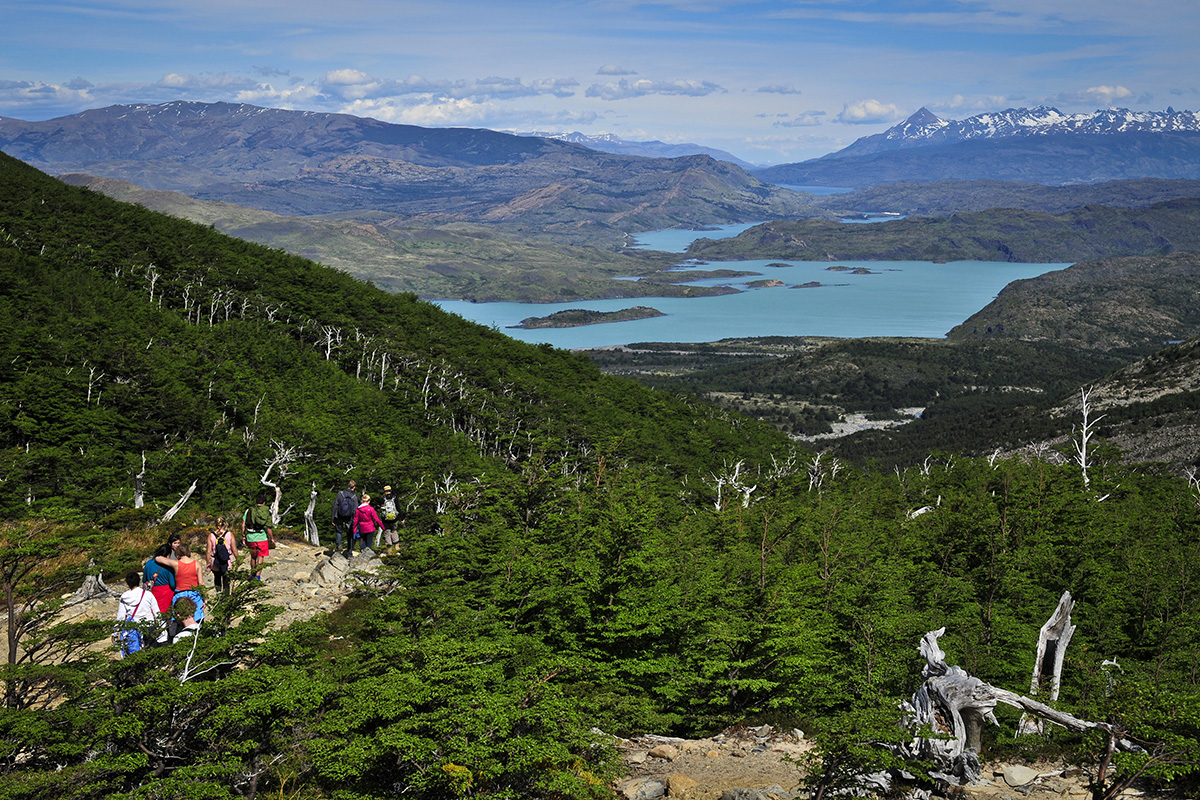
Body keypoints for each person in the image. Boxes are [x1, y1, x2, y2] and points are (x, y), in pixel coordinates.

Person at [113, 570, 161, 657]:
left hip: (132, 629)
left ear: (127, 583)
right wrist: (160, 627)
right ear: (139, 581)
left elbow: (120, 616)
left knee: (135, 656)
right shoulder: (148, 594)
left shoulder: (124, 597)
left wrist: (115, 633)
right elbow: (157, 612)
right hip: (148, 627)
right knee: (151, 655)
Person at [156, 542, 205, 623]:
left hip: (180, 595)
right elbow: (201, 583)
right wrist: (205, 598)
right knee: (197, 620)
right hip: (194, 594)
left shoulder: (176, 564)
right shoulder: (197, 564)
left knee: (181, 620)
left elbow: (158, 558)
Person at [243, 489, 276, 581]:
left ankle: (253, 574)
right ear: (264, 502)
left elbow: (243, 524)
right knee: (260, 557)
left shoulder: (249, 510)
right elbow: (268, 527)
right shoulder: (266, 512)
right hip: (262, 537)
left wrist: (243, 536)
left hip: (250, 536)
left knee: (253, 556)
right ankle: (258, 577)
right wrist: (272, 538)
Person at [206, 517, 238, 595]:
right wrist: (238, 559)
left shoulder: (211, 535)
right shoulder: (229, 534)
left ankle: (218, 594)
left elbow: (208, 551)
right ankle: (226, 596)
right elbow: (234, 549)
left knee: (217, 578)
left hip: (215, 560)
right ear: (225, 524)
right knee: (226, 579)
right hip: (227, 560)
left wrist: (208, 563)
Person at [143, 544, 176, 617]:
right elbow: (172, 584)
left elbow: (144, 580)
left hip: (152, 592)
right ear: (168, 555)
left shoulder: (148, 563)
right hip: (165, 594)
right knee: (165, 616)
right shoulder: (168, 565)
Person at [331, 479, 358, 554]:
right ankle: (349, 550)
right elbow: (355, 509)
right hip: (349, 517)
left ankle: (339, 545)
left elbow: (335, 506)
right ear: (354, 487)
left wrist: (333, 517)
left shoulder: (340, 494)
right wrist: (355, 520)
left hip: (339, 515)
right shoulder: (354, 497)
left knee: (339, 531)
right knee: (349, 533)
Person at [379, 485, 403, 555]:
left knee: (387, 533)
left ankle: (389, 551)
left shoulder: (382, 498)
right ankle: (397, 549)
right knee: (394, 531)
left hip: (385, 520)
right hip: (394, 519)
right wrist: (402, 518)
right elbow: (398, 508)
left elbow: (382, 509)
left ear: (385, 491)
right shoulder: (394, 497)